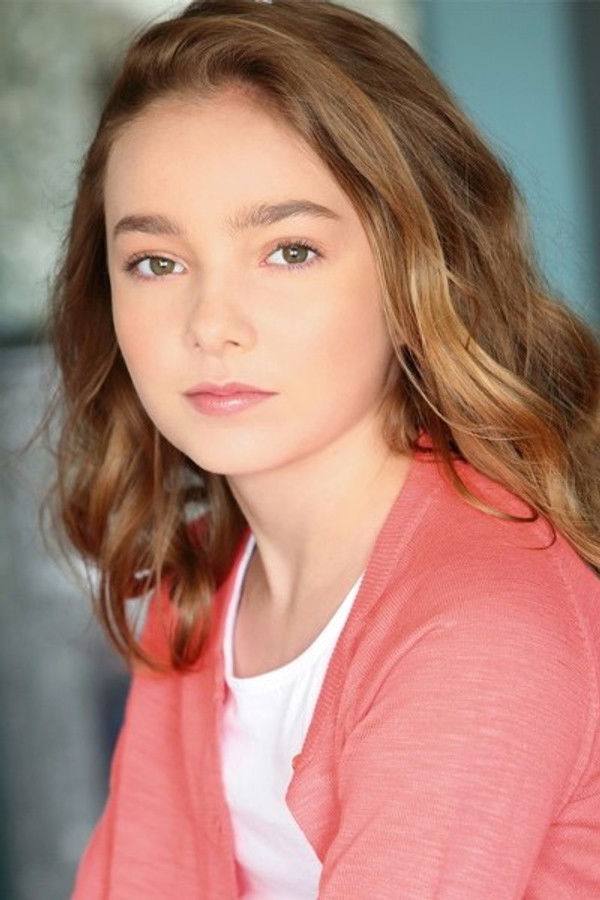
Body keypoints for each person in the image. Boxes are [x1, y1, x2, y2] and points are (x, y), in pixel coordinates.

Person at [43, 0, 600, 896]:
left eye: (289, 251)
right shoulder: (201, 585)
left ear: (420, 269)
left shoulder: (479, 620)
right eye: (156, 262)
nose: (211, 324)